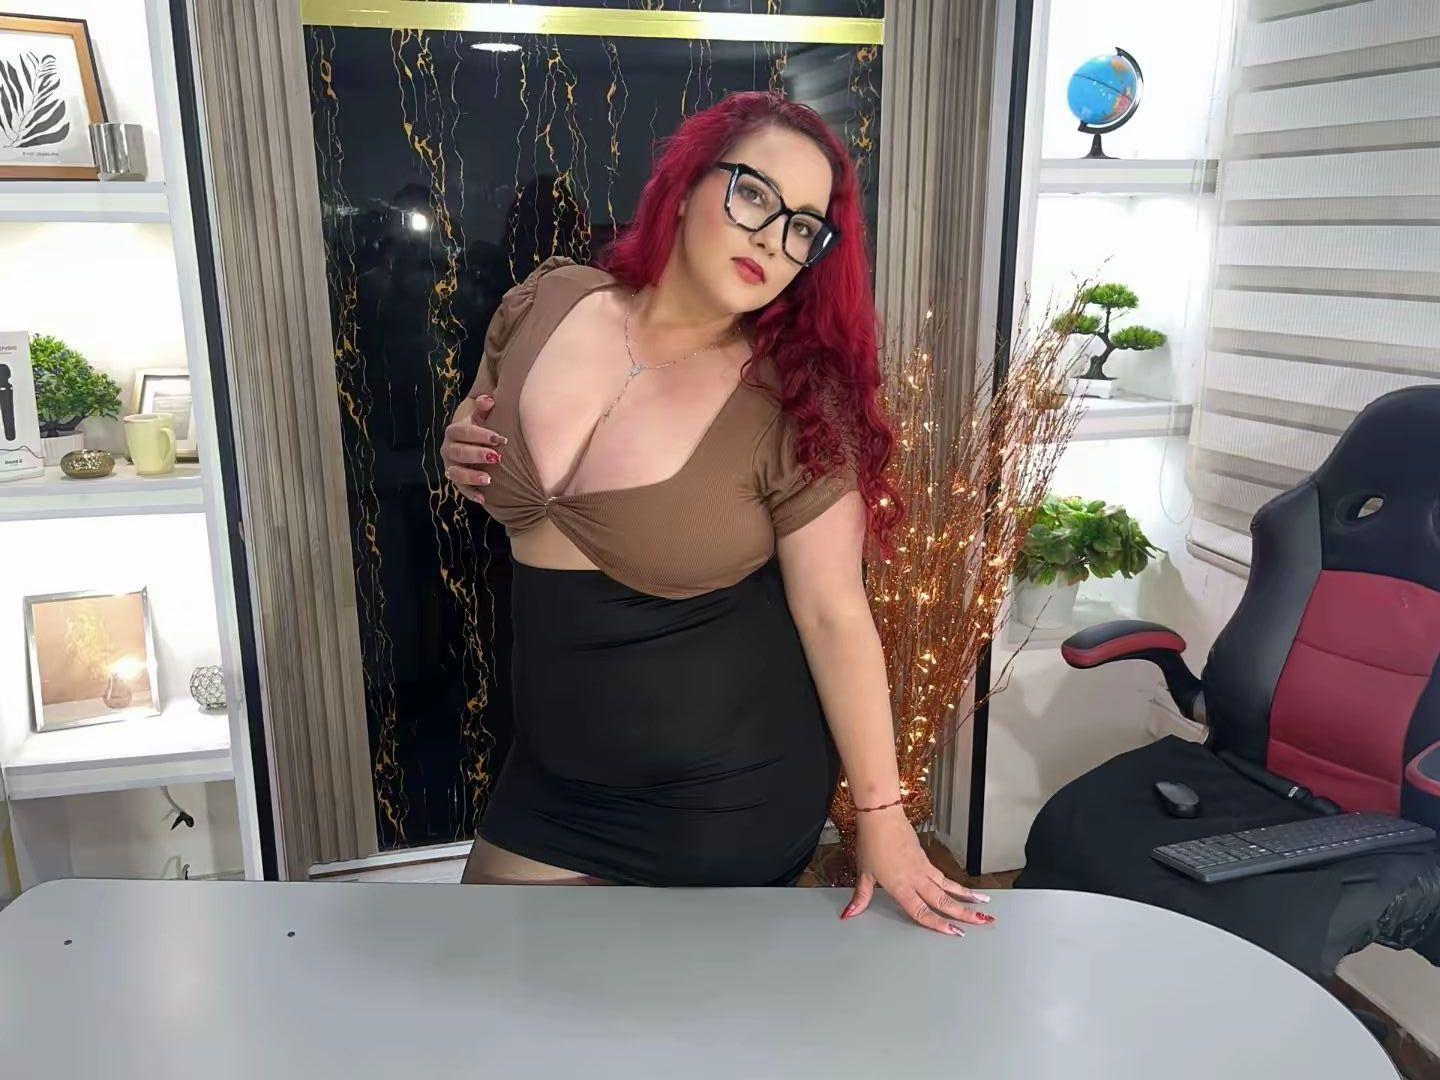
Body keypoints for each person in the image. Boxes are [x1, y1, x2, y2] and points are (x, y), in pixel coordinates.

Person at [440, 91, 993, 937]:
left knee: (665, 1013)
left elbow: (834, 612)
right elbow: (482, 432)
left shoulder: (795, 404)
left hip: (721, 793)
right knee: (483, 974)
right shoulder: (546, 302)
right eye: (754, 194)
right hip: (550, 773)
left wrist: (881, 814)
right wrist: (456, 447)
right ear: (686, 184)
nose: (772, 238)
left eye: (803, 227)